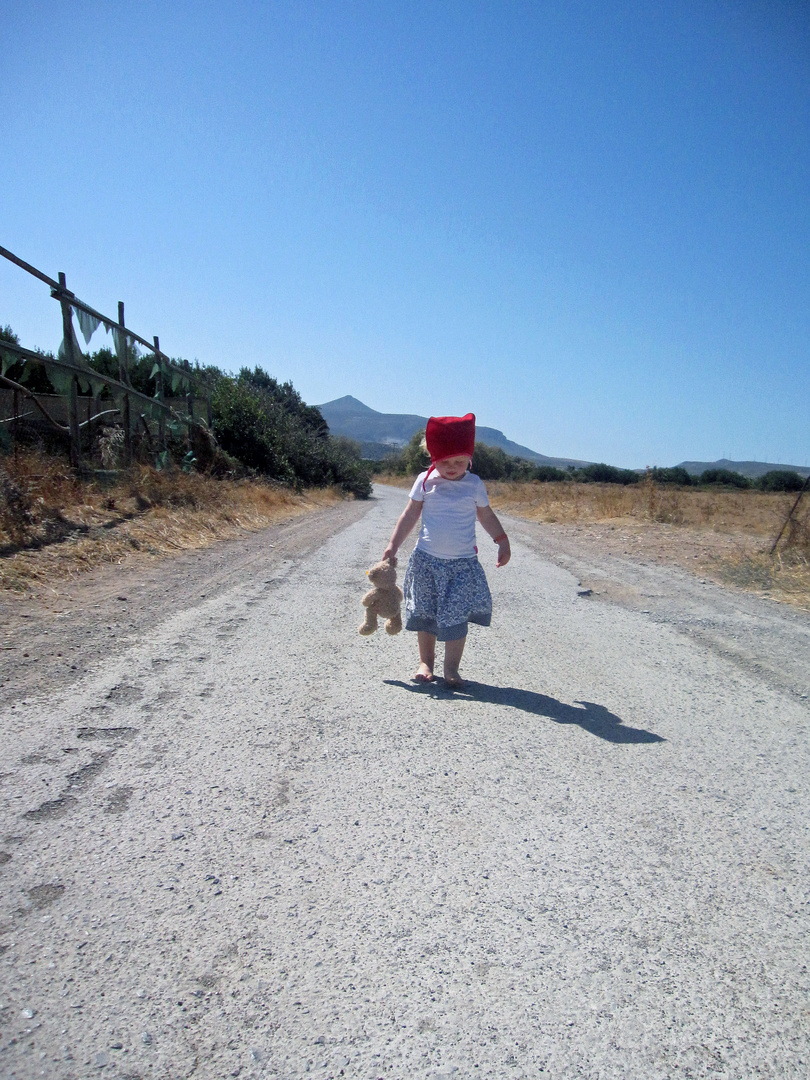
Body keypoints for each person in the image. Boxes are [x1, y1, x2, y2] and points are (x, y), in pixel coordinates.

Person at [382, 413, 511, 687]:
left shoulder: (474, 485)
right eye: (445, 461)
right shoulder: (425, 481)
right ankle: (425, 662)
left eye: (459, 461)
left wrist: (501, 540)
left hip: (462, 566)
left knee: (455, 616)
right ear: (433, 457)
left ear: (470, 459)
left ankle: (451, 668)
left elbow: (486, 516)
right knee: (425, 612)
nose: (452, 467)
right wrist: (393, 545)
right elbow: (409, 515)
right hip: (426, 561)